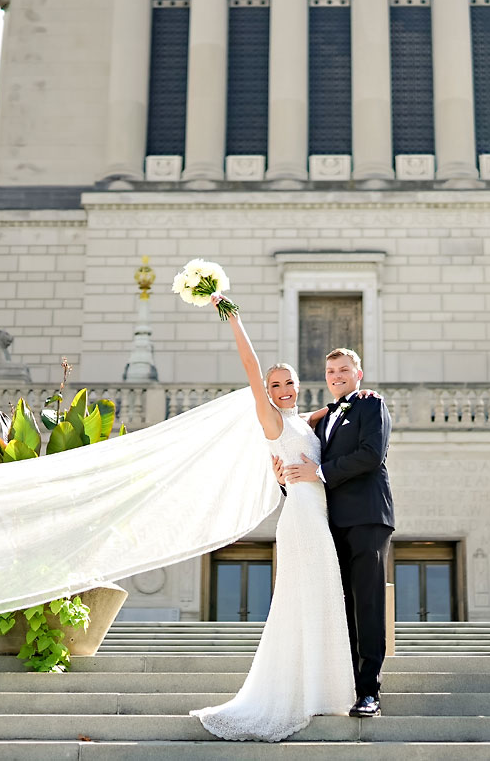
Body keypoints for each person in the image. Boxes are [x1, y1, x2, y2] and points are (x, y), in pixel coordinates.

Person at [190, 297, 355, 742]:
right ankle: (301, 694)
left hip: (315, 514)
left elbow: (337, 409)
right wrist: (235, 318)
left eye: (287, 383)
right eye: (274, 384)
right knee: (308, 597)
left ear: (298, 386)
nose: (281, 389)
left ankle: (319, 690)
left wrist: (355, 392)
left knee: (317, 599)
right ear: (267, 389)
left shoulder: (301, 420)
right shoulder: (270, 419)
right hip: (301, 518)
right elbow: (250, 363)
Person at [281, 346, 394, 718]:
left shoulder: (370, 404)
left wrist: (320, 473)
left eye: (344, 370)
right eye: (331, 371)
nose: (337, 376)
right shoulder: (327, 415)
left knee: (367, 603)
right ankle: (344, 687)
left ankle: (369, 693)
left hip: (366, 517)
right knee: (341, 607)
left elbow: (370, 454)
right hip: (330, 522)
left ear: (358, 374)